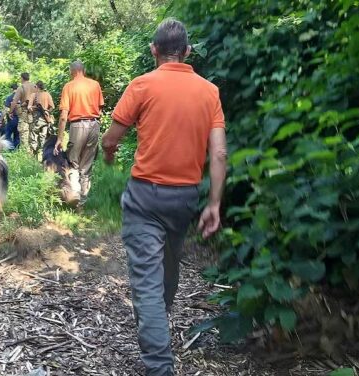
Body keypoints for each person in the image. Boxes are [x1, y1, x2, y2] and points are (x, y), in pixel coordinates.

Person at [101, 19, 228, 375]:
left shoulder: (142, 85)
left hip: (145, 197)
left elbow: (111, 139)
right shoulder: (209, 92)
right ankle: (158, 319)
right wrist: (214, 203)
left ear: (154, 50)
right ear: (187, 52)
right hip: (186, 198)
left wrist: (109, 157)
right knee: (168, 268)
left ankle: (159, 366)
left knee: (147, 283)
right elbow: (218, 155)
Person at [54, 60, 104, 207]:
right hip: (94, 125)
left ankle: (74, 195)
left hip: (77, 125)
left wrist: (59, 138)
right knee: (87, 164)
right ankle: (84, 200)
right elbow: (100, 109)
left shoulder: (69, 87)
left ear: (72, 71)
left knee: (73, 162)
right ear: (83, 70)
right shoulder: (95, 85)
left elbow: (64, 115)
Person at [10, 73, 37, 153]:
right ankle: (35, 152)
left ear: (22, 78)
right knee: (33, 133)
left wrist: (11, 112)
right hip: (35, 113)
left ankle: (26, 153)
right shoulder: (35, 86)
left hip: (24, 113)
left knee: (24, 133)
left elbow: (14, 101)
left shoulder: (21, 87)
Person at [28, 80, 55, 156]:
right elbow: (52, 107)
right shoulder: (47, 94)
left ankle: (34, 156)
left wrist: (33, 108)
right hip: (46, 120)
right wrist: (47, 111)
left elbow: (29, 107)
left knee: (34, 137)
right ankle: (44, 155)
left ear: (36, 87)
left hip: (36, 119)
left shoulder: (33, 95)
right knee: (43, 137)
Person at [3, 83, 20, 149]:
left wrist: (1, 119)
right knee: (17, 135)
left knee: (8, 134)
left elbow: (6, 109)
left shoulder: (10, 97)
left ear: (11, 89)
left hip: (11, 119)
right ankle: (17, 149)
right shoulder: (21, 98)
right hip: (19, 119)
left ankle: (10, 149)